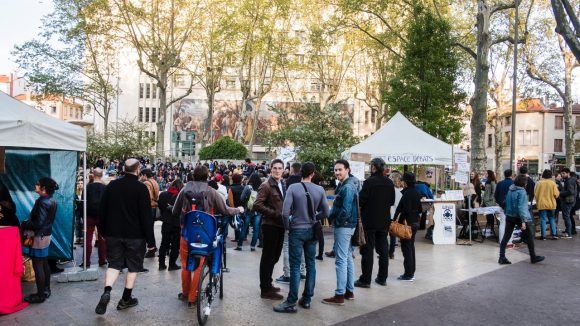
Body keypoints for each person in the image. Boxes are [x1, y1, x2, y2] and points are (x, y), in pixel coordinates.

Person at [172, 166, 243, 307]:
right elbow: (225, 210)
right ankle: (193, 297)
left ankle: (185, 293)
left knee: (185, 265)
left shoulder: (184, 190)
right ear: (207, 176)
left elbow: (175, 211)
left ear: (193, 176)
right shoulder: (212, 192)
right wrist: (238, 210)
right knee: (200, 265)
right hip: (205, 236)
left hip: (186, 234)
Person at [95, 159, 156, 315]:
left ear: (123, 169)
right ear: (138, 170)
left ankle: (107, 291)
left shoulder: (112, 185)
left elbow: (102, 210)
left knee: (114, 264)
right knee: (133, 267)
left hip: (113, 233)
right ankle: (125, 299)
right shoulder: (141, 189)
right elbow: (146, 216)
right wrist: (151, 241)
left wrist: (101, 231)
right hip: (135, 236)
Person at [274, 162, 329, 313]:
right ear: (312, 174)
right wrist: (314, 217)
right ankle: (307, 299)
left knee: (295, 266)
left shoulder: (293, 188)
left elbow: (285, 213)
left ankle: (291, 301)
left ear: (300, 173)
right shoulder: (320, 189)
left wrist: (288, 226)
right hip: (312, 229)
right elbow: (326, 212)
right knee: (311, 264)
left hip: (296, 230)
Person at [322, 160, 358, 305]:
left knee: (341, 260)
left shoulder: (348, 187)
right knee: (347, 257)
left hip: (344, 225)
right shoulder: (347, 185)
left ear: (347, 170)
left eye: (340, 170)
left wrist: (335, 220)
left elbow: (345, 210)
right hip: (347, 225)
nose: (337, 172)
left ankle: (339, 295)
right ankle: (349, 291)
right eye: (335, 170)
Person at [355, 158, 395, 288]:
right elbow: (391, 201)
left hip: (370, 221)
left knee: (368, 250)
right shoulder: (389, 183)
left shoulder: (369, 182)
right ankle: (382, 278)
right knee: (383, 250)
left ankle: (366, 279)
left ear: (374, 167)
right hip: (384, 221)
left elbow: (361, 201)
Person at [21, 177, 58, 303]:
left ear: (43, 188)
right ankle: (46, 290)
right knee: (44, 263)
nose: (35, 185)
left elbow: (38, 223)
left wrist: (25, 224)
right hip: (46, 235)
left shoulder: (42, 202)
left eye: (38, 184)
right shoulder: (51, 200)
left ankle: (40, 295)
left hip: (39, 236)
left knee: (38, 265)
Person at [254, 159, 286, 300]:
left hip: (280, 225)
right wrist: (275, 214)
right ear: (270, 169)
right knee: (268, 257)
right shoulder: (266, 185)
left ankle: (268, 282)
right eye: (275, 168)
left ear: (283, 170)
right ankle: (265, 289)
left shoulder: (282, 184)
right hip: (270, 225)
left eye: (280, 168)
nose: (277, 171)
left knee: (275, 256)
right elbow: (257, 205)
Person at [498, 174, 545, 264]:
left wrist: (506, 212)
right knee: (529, 237)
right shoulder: (522, 192)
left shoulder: (510, 189)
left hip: (510, 216)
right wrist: (523, 221)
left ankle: (501, 257)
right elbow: (521, 207)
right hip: (519, 217)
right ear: (523, 183)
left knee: (506, 237)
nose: (526, 184)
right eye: (526, 182)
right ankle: (533, 257)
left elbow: (505, 202)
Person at [394, 172, 422, 282]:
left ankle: (408, 274)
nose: (401, 182)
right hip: (415, 223)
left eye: (402, 180)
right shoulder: (416, 192)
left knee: (406, 249)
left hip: (407, 224)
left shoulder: (406, 193)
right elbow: (420, 209)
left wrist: (398, 221)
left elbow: (404, 210)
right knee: (411, 247)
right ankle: (411, 272)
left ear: (406, 182)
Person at [81, 168, 107, 268]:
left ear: (93, 175)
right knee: (102, 239)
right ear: (101, 175)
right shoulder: (105, 187)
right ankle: (102, 259)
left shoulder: (87, 187)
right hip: (102, 216)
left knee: (88, 239)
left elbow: (83, 202)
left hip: (89, 215)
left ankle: (86, 261)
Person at [157, 179, 184, 271]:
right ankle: (172, 264)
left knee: (164, 243)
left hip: (166, 222)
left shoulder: (163, 195)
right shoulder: (181, 196)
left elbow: (160, 206)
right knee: (175, 245)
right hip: (176, 223)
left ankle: (161, 264)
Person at [535, 169, 560, 240]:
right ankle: (554, 234)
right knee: (552, 219)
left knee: (543, 219)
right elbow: (556, 194)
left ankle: (543, 236)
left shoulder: (539, 183)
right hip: (551, 204)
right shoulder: (553, 183)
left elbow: (536, 194)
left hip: (542, 204)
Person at [141, 168, 159, 258]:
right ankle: (153, 246)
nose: (141, 177)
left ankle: (151, 248)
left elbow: (148, 196)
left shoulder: (147, 183)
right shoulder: (154, 181)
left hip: (149, 207)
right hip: (155, 206)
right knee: (150, 228)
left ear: (145, 175)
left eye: (142, 175)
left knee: (147, 229)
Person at [388, 171, 404, 259]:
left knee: (386, 234)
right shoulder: (402, 190)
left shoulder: (390, 190)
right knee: (393, 234)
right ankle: (391, 252)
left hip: (390, 214)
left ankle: (389, 252)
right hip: (398, 215)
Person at [558, 168, 576, 239]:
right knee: (566, 216)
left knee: (566, 217)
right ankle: (567, 231)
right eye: (562, 173)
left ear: (568, 173)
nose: (562, 175)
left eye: (563, 173)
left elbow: (570, 191)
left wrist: (560, 193)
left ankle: (568, 233)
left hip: (568, 201)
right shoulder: (570, 180)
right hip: (570, 200)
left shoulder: (569, 181)